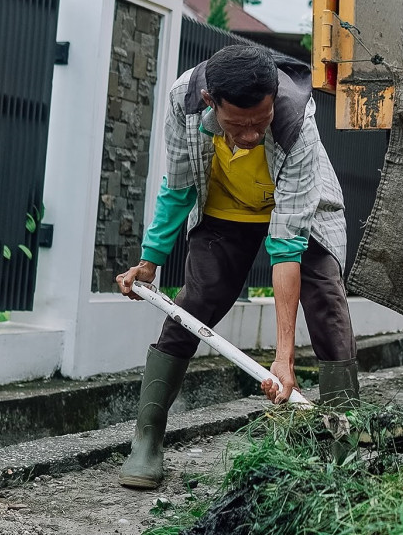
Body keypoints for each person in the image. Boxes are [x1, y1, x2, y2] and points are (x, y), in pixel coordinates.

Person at [116, 45, 359, 489]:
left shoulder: (295, 119)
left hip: (299, 210)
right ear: (211, 101)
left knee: (326, 303)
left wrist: (283, 359)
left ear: (272, 103)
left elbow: (286, 249)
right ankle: (147, 437)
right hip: (227, 207)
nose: (249, 136)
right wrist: (149, 262)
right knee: (196, 303)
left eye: (259, 123)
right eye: (237, 125)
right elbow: (179, 185)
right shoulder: (182, 100)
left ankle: (344, 444)